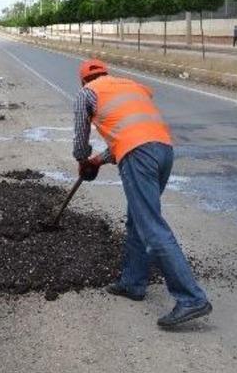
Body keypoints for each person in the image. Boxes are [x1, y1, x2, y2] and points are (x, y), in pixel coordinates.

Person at [73, 59, 212, 328]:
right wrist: (98, 162)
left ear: (82, 81)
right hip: (163, 150)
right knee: (138, 219)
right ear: (105, 74)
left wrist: (83, 160)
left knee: (151, 226)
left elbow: (80, 142)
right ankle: (133, 283)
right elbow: (131, 133)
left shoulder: (86, 94)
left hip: (139, 154)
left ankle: (191, 298)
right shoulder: (127, 86)